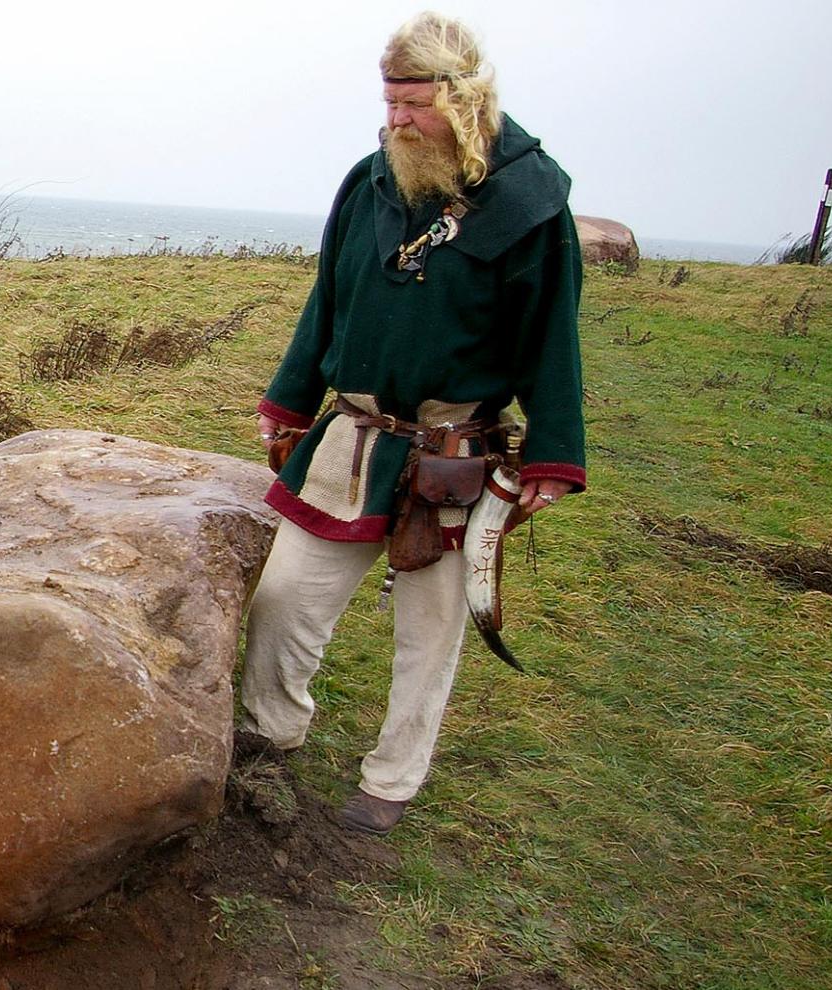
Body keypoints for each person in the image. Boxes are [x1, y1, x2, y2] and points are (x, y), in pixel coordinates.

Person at [239, 12, 586, 834]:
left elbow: (552, 339)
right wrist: (289, 399)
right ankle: (268, 735)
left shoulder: (533, 206)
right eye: (390, 103)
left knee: (428, 631)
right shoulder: (369, 181)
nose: (398, 121)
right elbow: (327, 296)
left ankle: (390, 782)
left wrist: (552, 455)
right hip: (353, 436)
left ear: (466, 100)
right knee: (285, 596)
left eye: (415, 105)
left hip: (453, 450)